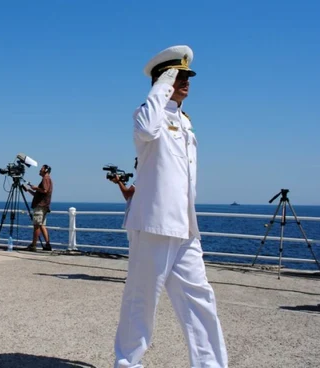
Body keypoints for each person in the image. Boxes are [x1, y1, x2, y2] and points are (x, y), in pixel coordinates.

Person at [114, 45, 228, 368]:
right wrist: (161, 86)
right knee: (141, 302)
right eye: (178, 76)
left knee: (201, 300)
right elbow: (147, 129)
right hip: (153, 225)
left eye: (187, 76)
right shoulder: (147, 114)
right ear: (163, 79)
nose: (186, 81)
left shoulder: (185, 121)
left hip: (185, 227)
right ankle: (127, 363)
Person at [23, 164, 53, 251]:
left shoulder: (46, 178)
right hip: (43, 206)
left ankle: (34, 245)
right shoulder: (46, 179)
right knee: (42, 225)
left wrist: (36, 187)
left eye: (41, 169)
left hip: (40, 206)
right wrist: (29, 189)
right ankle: (47, 244)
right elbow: (38, 194)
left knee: (36, 226)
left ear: (46, 170)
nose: (40, 170)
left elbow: (45, 190)